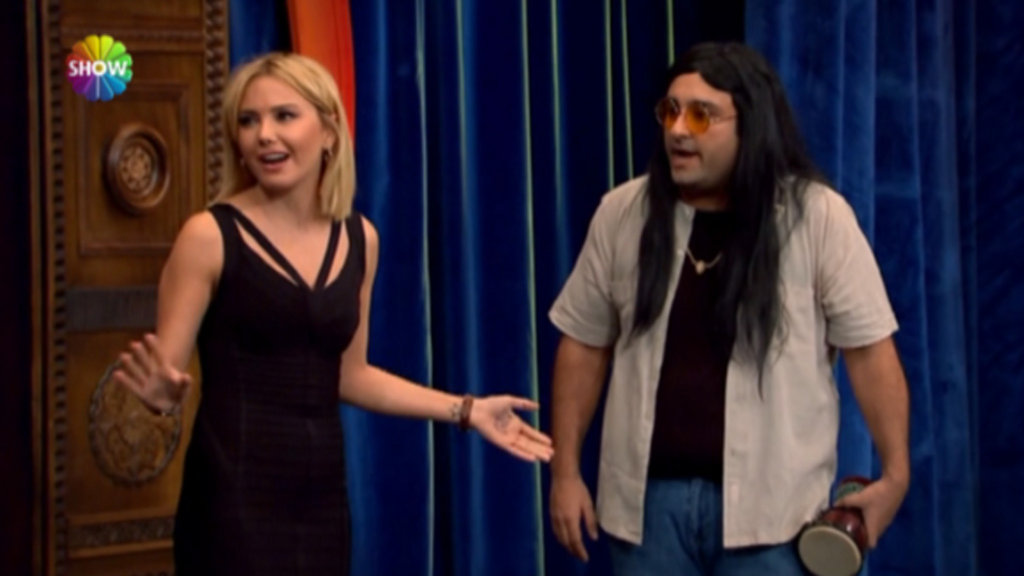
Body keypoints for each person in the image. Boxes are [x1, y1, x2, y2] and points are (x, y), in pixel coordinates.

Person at [113, 52, 554, 576]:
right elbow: (164, 375)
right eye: (249, 121)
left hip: (321, 503)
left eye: (284, 116)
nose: (264, 135)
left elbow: (351, 375)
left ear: (328, 131)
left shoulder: (360, 238)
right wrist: (162, 400)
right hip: (232, 500)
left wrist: (466, 410)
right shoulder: (208, 236)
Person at [547, 42, 909, 575]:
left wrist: (896, 474)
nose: (678, 130)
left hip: (776, 517)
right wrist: (565, 472)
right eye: (670, 111)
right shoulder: (622, 214)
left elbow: (870, 352)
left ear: (751, 125)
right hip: (647, 517)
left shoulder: (817, 218)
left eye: (701, 115)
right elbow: (583, 345)